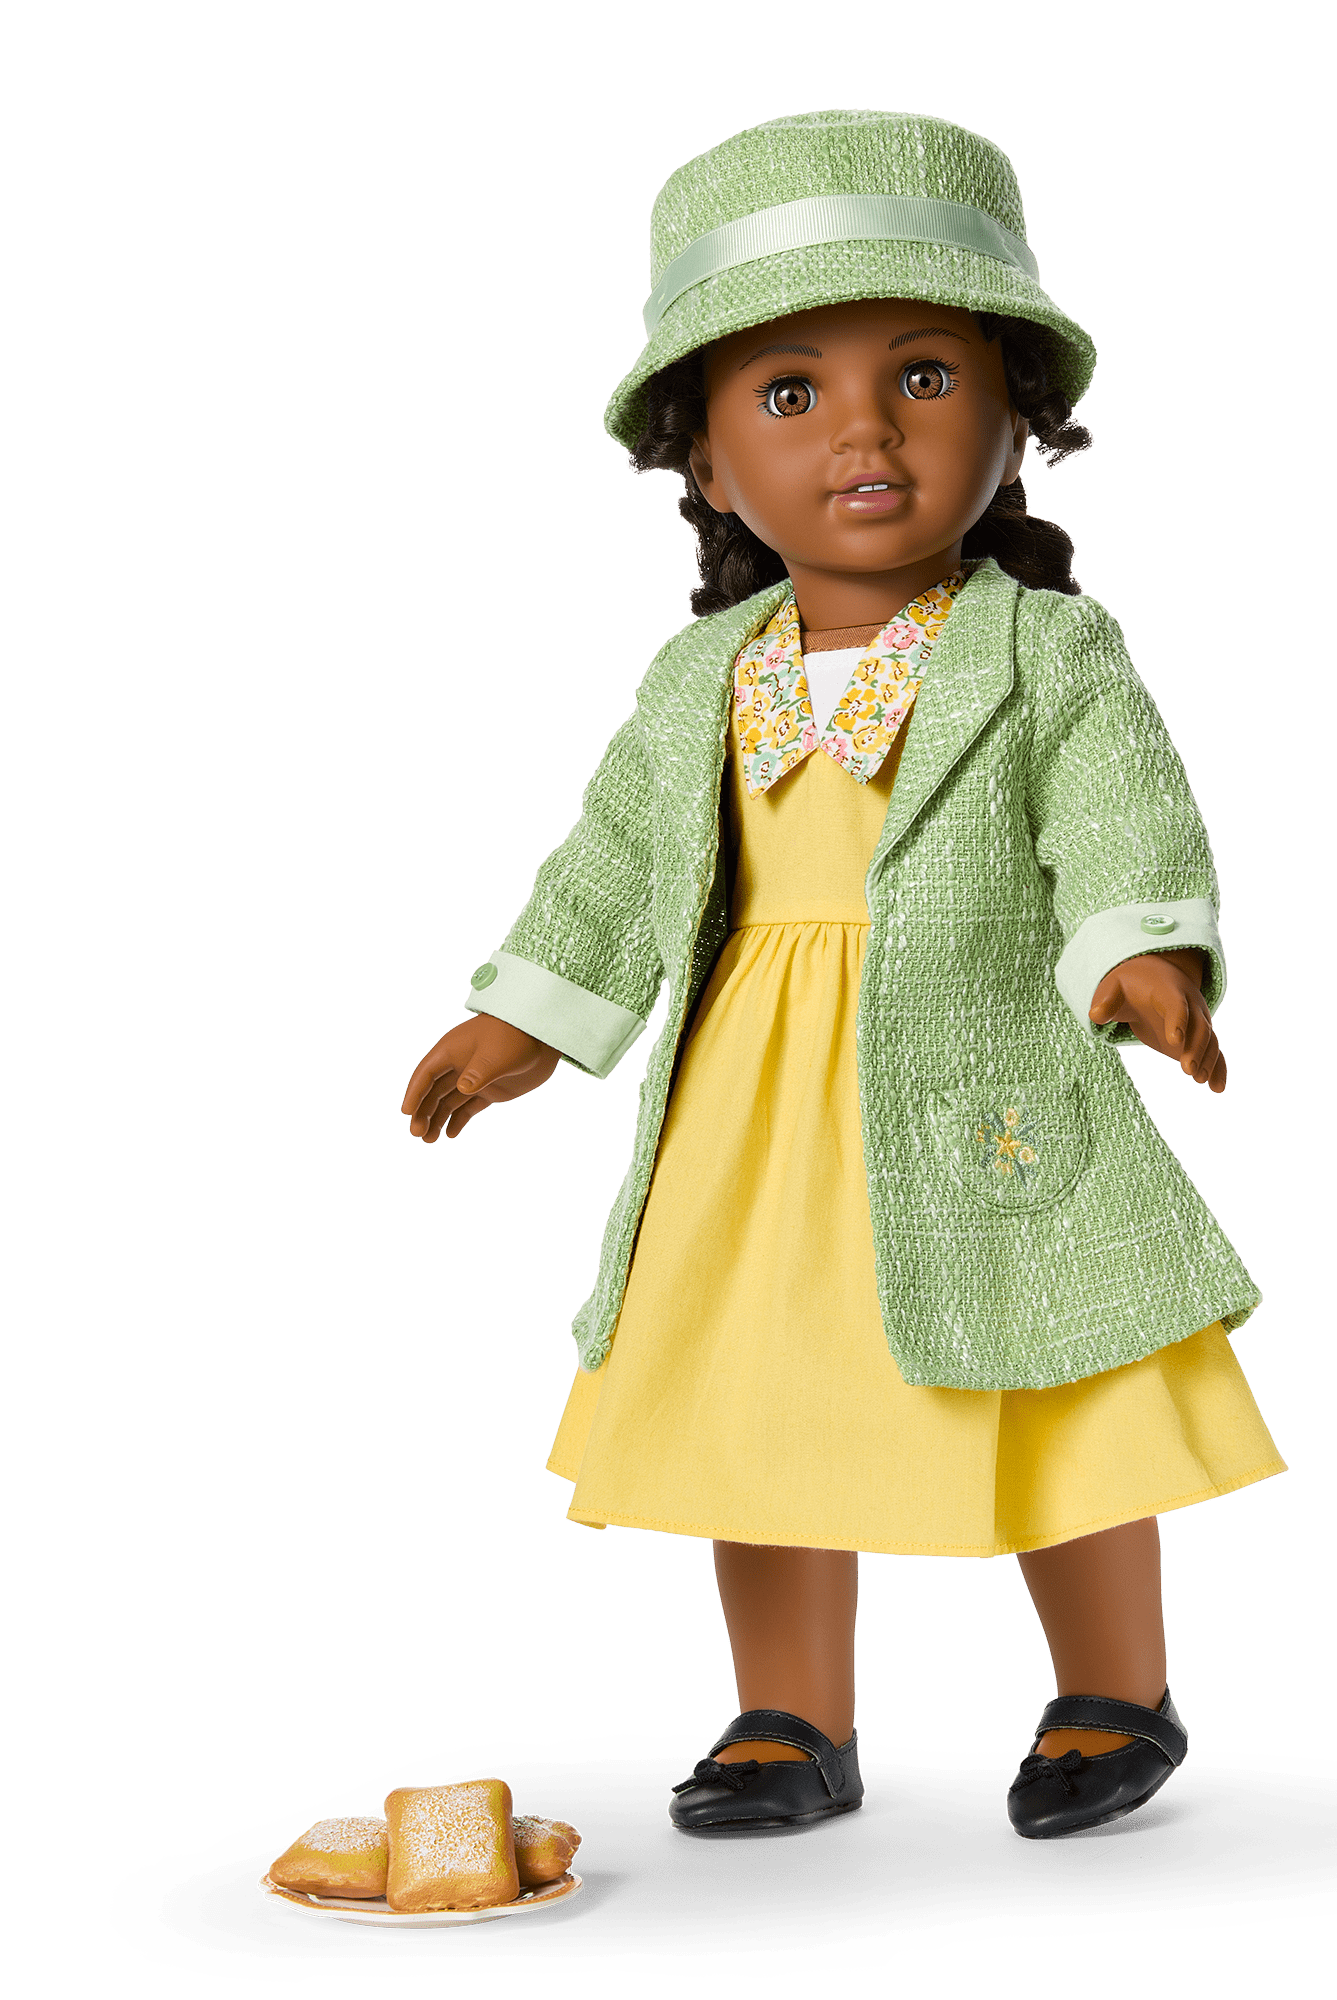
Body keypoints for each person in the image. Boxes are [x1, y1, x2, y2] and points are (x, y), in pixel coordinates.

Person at [400, 110, 1285, 1839]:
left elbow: (1123, 808)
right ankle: (787, 1713)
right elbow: (613, 860)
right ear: (708, 460)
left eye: (926, 376)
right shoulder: (699, 679)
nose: (866, 431)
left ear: (1019, 416)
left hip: (985, 1079)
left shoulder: (1046, 646)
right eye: (791, 391)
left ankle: (1117, 1687)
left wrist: (1142, 947)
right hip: (748, 1102)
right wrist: (528, 1013)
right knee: (755, 1396)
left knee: (1056, 1376)